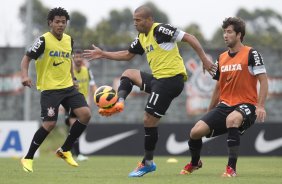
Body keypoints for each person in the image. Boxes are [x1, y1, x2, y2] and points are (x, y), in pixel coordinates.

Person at [83, 5, 216, 177]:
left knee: (148, 119)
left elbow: (189, 37)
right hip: (157, 80)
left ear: (149, 20)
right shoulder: (141, 37)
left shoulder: (161, 30)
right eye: (134, 20)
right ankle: (120, 102)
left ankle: (147, 163)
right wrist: (103, 54)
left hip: (171, 80)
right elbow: (128, 54)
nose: (135, 23)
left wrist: (204, 60)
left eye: (138, 20)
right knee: (128, 74)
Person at [179, 17, 268, 177]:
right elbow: (219, 86)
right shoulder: (221, 58)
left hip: (247, 105)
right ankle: (195, 163)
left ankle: (231, 169)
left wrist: (260, 106)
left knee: (232, 120)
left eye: (229, 32)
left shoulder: (251, 53)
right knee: (195, 132)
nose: (225, 35)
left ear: (239, 34)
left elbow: (263, 80)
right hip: (225, 105)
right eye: (224, 32)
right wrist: (210, 110)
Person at [20, 7, 91, 173]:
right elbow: (26, 58)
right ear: (50, 23)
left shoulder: (69, 40)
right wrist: (24, 75)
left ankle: (65, 150)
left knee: (86, 114)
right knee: (50, 123)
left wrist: (73, 78)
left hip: (68, 87)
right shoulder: (43, 40)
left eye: (63, 22)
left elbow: (68, 62)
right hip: (50, 90)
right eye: (57, 22)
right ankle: (28, 157)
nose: (60, 25)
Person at [64, 49, 97, 161]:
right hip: (71, 103)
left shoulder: (87, 71)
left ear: (83, 59)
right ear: (73, 59)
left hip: (83, 104)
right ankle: (77, 154)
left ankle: (67, 150)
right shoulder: (69, 71)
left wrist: (97, 98)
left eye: (80, 57)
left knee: (75, 130)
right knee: (74, 128)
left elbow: (93, 86)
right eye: (76, 57)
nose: (78, 59)